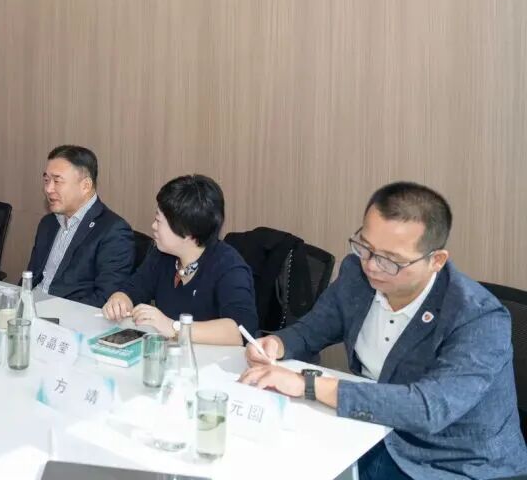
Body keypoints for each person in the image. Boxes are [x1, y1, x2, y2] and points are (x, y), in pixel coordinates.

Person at [239, 182, 527, 480]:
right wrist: (277, 343)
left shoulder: (477, 316)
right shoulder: (357, 275)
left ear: (436, 261)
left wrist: (308, 385)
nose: (372, 266)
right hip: (372, 432)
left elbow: (428, 408)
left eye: (391, 260)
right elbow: (312, 330)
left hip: (451, 463)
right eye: (365, 247)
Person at [102, 175, 257, 345]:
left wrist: (174, 327)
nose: (153, 226)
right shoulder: (161, 254)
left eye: (159, 221)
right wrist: (120, 299)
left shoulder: (229, 267)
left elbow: (240, 331)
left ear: (187, 233)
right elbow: (134, 289)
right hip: (170, 353)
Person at [27, 145, 134, 306]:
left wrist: (52, 310)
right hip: (31, 307)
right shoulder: (48, 223)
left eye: (57, 181)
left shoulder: (114, 231)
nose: (48, 189)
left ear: (85, 186)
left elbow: (106, 299)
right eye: (46, 180)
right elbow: (29, 278)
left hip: (67, 315)